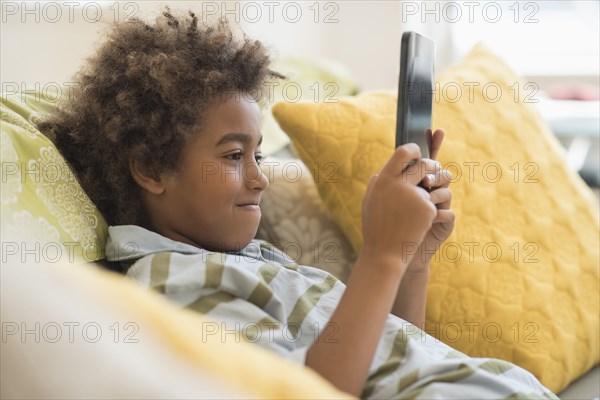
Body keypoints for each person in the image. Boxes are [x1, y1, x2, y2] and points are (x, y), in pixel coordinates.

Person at [39, 9, 558, 399]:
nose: (260, 178)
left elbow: (390, 356)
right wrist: (381, 256)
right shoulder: (169, 283)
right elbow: (309, 391)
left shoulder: (248, 261)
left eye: (258, 154)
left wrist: (413, 259)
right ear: (151, 169)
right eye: (234, 155)